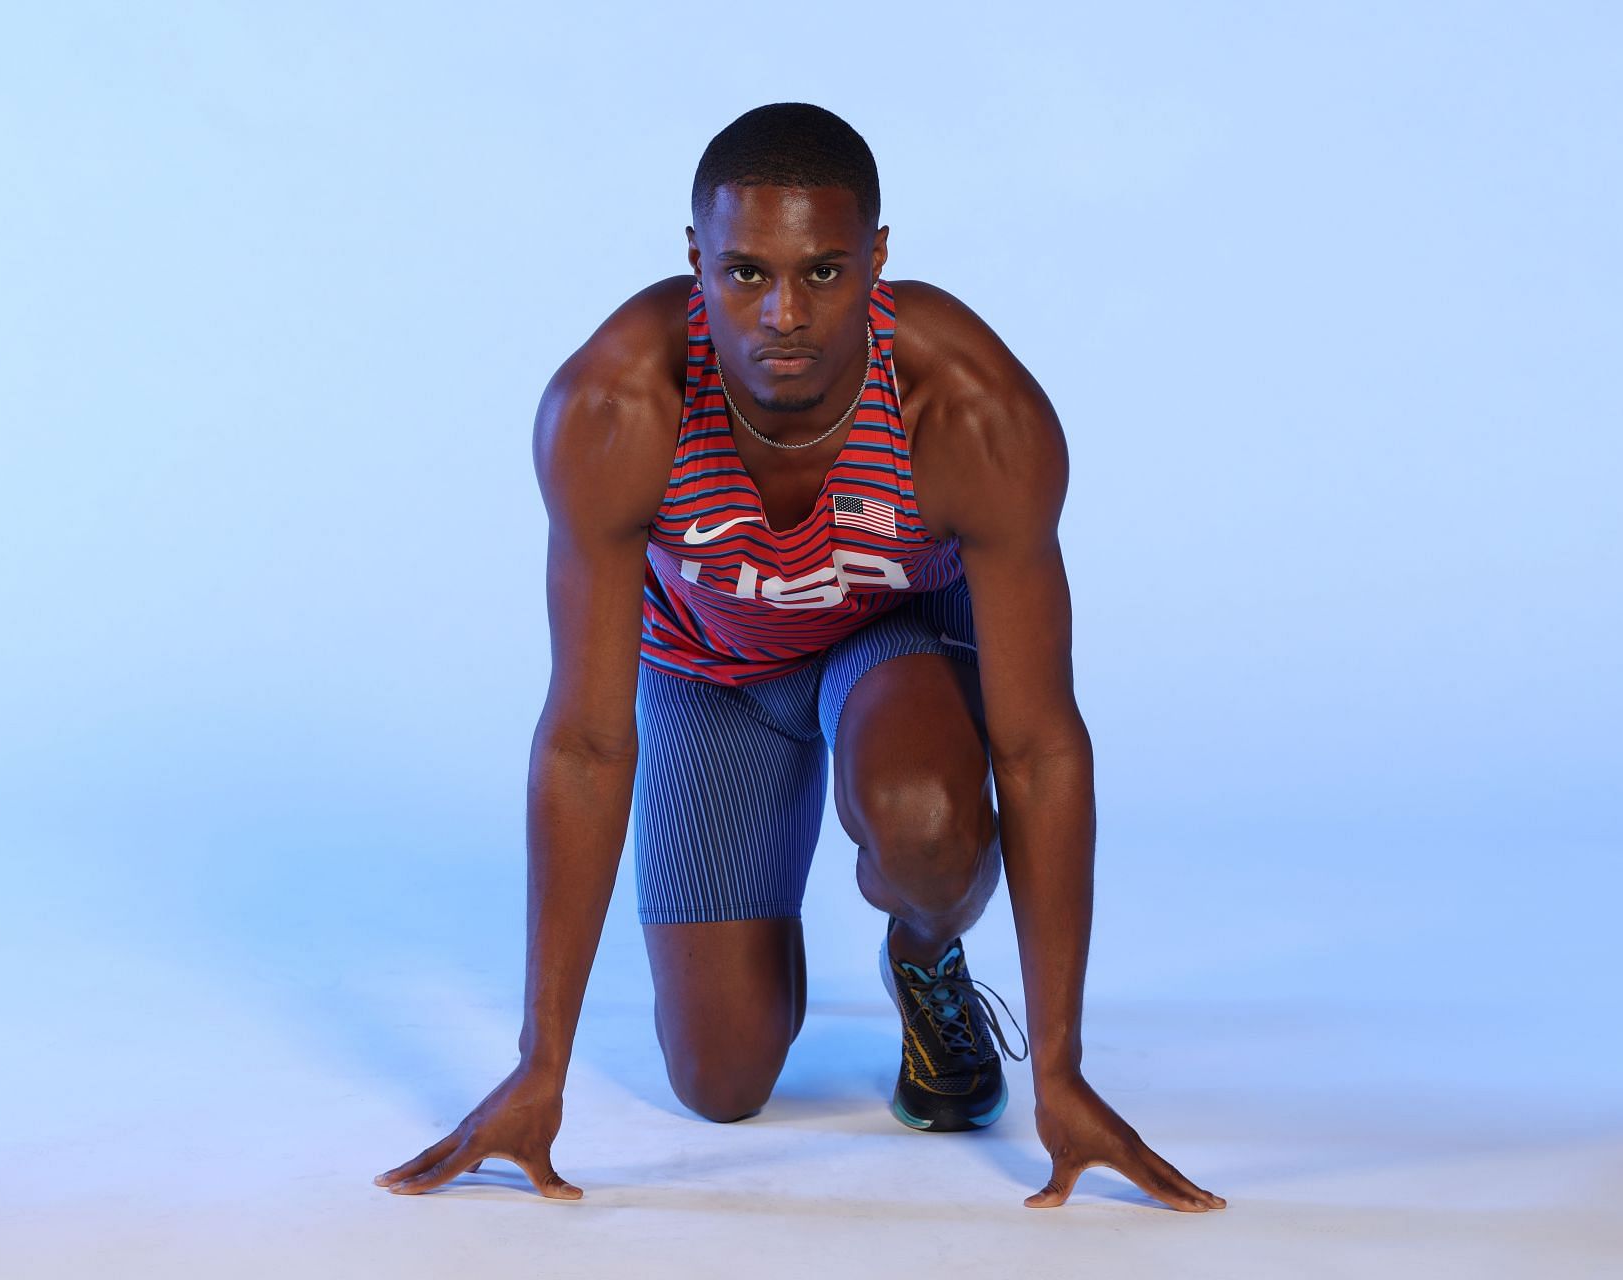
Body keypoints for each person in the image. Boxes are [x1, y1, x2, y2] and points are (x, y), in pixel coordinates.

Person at [376, 103, 1225, 1212]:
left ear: (878, 258)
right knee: (720, 1084)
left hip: (893, 646)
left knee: (925, 818)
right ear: (695, 264)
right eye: (745, 273)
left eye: (824, 272)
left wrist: (1060, 1066)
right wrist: (541, 1065)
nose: (784, 313)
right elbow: (585, 740)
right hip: (710, 677)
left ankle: (925, 958)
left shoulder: (968, 409)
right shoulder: (614, 406)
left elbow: (1040, 743)